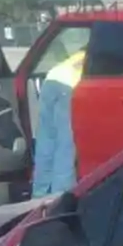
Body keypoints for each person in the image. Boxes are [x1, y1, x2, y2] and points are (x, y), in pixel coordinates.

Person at [30, 46, 86, 197]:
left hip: (52, 80)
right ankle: (59, 202)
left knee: (46, 145)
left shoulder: (82, 51)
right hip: (71, 86)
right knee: (66, 150)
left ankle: (38, 201)